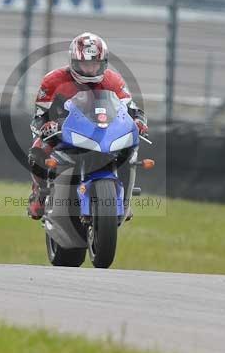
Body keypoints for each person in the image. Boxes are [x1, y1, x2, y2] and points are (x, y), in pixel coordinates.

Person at [27, 32, 147, 219]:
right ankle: (40, 193)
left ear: (104, 63)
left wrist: (139, 123)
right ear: (74, 62)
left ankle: (125, 199)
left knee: (130, 150)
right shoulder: (53, 80)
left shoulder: (114, 80)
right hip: (64, 130)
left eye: (95, 64)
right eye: (85, 64)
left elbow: (132, 109)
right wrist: (46, 126)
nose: (90, 69)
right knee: (37, 150)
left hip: (104, 132)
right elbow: (38, 116)